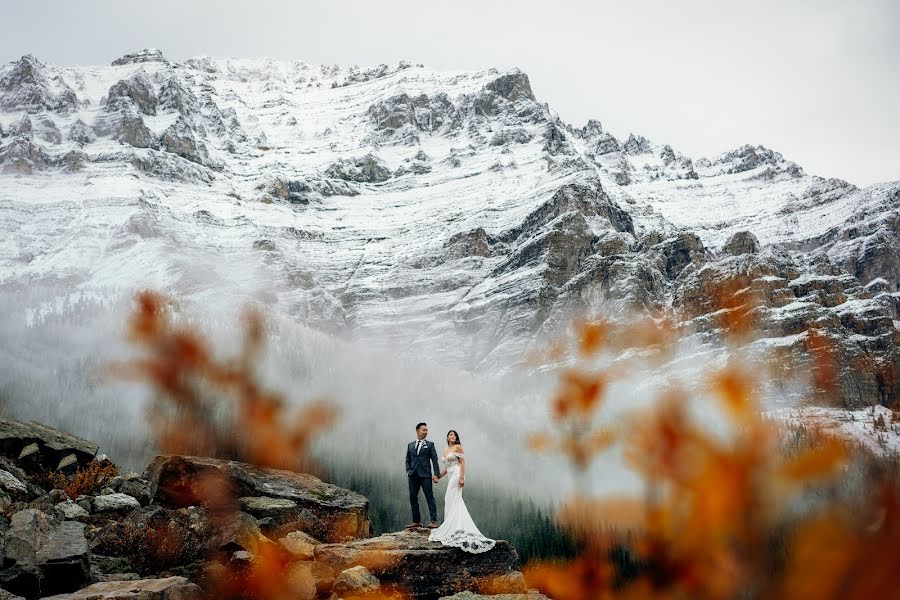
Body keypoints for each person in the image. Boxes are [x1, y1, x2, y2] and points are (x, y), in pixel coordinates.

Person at [428, 429, 496, 553]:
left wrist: (462, 477)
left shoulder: (458, 447)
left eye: (454, 435)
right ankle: (453, 526)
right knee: (451, 499)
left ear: (456, 437)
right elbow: (447, 468)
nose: (452, 436)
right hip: (450, 475)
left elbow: (463, 463)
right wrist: (438, 476)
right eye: (450, 435)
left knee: (451, 497)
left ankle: (454, 527)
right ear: (447, 438)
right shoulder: (446, 450)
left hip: (457, 474)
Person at [405, 422, 440, 528]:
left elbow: (435, 460)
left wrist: (436, 474)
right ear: (417, 431)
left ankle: (433, 521)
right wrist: (408, 471)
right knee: (413, 497)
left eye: (426, 430)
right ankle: (416, 521)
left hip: (425, 475)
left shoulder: (430, 445)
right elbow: (407, 459)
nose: (426, 432)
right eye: (423, 430)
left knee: (429, 497)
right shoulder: (410, 445)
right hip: (413, 475)